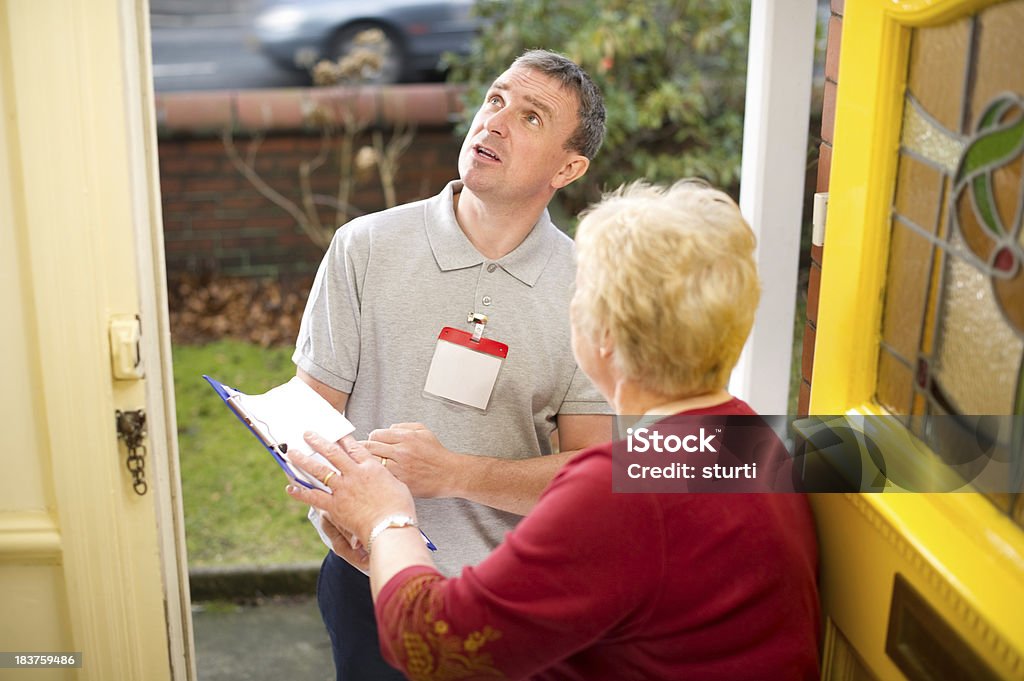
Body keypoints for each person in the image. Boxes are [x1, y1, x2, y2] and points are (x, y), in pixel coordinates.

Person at [286, 180, 822, 679]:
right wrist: (393, 559)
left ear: (603, 333)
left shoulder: (615, 491)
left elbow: (432, 646)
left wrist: (387, 521)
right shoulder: (750, 440)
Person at [292, 49, 613, 679]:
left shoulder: (592, 288)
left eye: (531, 118)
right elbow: (310, 418)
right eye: (495, 99)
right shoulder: (365, 246)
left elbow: (589, 475)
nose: (493, 122)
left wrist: (455, 473)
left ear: (569, 167)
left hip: (512, 597)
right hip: (370, 582)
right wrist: (336, 514)